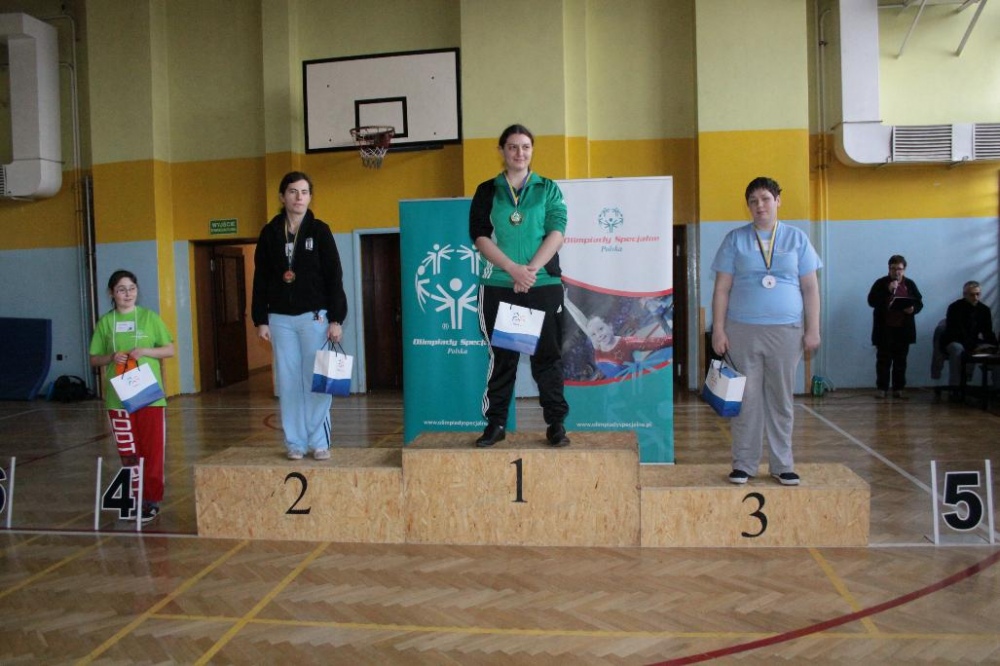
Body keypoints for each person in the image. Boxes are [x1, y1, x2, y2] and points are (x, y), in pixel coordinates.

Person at [710, 176, 822, 487]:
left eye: (765, 199)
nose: (759, 205)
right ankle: (744, 464)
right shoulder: (735, 240)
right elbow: (721, 289)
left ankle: (782, 464)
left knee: (780, 399)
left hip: (786, 331)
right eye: (753, 201)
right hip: (742, 331)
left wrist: (813, 329)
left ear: (777, 201)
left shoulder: (797, 239)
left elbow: (810, 288)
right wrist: (718, 330)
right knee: (745, 399)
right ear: (748, 206)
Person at [469, 124, 570, 448]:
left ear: (532, 150)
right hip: (500, 284)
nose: (519, 152)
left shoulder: (548, 188)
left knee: (547, 358)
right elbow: (479, 236)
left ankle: (556, 425)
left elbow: (557, 231)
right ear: (502, 151)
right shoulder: (487, 190)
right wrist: (513, 270)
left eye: (525, 146)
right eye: (512, 146)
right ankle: (496, 424)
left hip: (543, 285)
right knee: (503, 358)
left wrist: (530, 271)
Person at [251, 171, 348, 461]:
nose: (299, 197)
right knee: (289, 382)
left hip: (314, 318)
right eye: (293, 191)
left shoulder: (319, 231)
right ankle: (295, 442)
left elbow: (334, 276)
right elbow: (261, 278)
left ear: (310, 197)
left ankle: (319, 441)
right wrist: (260, 319)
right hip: (280, 319)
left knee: (316, 380)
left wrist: (336, 319)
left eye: (304, 192)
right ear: (282, 197)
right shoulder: (270, 233)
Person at [89, 270, 175, 523]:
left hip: (148, 397)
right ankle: (134, 498)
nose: (127, 294)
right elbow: (94, 358)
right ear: (111, 293)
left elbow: (169, 349)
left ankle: (151, 500)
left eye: (132, 289)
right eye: (121, 289)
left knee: (152, 450)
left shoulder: (149, 318)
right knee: (129, 452)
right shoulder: (106, 323)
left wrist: (145, 351)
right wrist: (110, 357)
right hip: (119, 399)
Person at [564, 293, 672, 380]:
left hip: (633, 380)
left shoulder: (626, 343)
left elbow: (653, 343)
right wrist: (567, 302)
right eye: (593, 334)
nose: (599, 335)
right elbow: (581, 322)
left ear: (610, 326)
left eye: (601, 329)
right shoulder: (598, 346)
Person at [867, 255, 923, 399]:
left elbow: (919, 302)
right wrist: (888, 290)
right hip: (884, 329)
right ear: (889, 268)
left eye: (899, 269)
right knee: (883, 361)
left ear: (904, 270)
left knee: (901, 361)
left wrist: (913, 309)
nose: (896, 272)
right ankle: (882, 389)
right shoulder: (881, 283)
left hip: (903, 329)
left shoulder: (910, 284)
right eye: (893, 268)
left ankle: (899, 388)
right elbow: (871, 301)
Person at [942, 280, 998, 391]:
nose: (975, 297)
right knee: (957, 349)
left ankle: (997, 389)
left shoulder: (984, 310)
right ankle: (955, 388)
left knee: (995, 352)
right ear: (965, 294)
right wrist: (973, 345)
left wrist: (994, 346)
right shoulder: (955, 308)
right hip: (954, 340)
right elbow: (955, 331)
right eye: (972, 295)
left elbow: (987, 331)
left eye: (978, 294)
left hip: (973, 341)